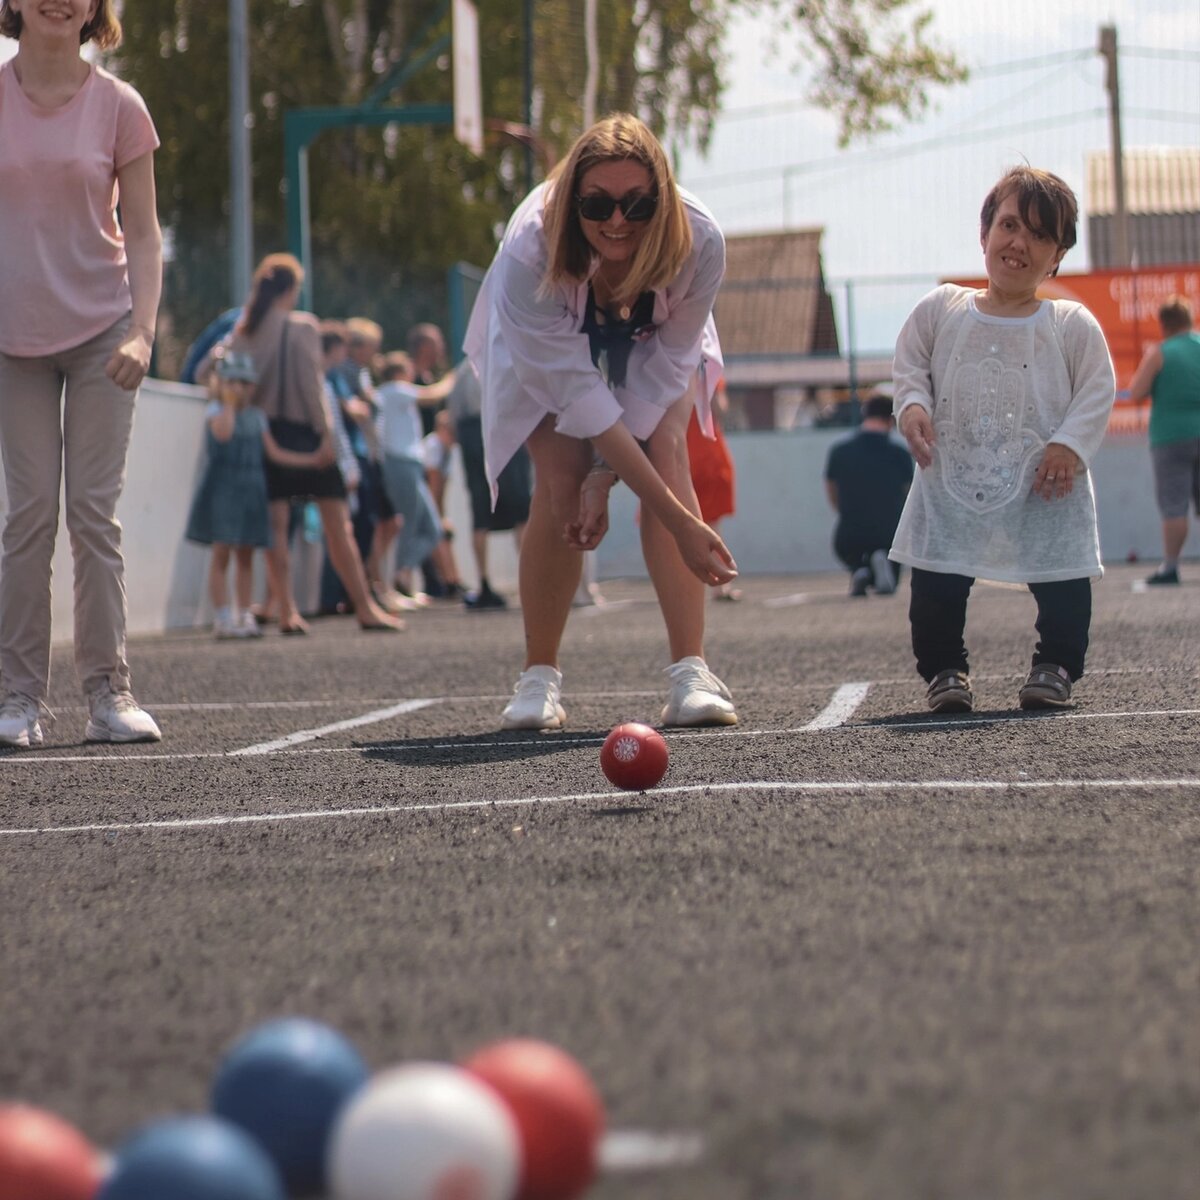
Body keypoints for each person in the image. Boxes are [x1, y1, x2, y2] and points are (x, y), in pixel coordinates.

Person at [465, 112, 739, 730]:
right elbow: (579, 400)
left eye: (637, 206)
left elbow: (663, 374)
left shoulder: (702, 242)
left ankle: (690, 672)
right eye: (598, 204)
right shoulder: (527, 254)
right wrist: (675, 522)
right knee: (561, 484)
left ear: (662, 202)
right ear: (572, 203)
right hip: (547, 348)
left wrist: (610, 478)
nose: (617, 221)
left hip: (647, 344)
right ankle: (538, 677)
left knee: (667, 454)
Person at [890, 166, 1116, 714]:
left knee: (1063, 578)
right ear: (984, 233)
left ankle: (1056, 666)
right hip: (953, 482)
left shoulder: (1070, 323)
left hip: (1046, 486)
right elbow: (910, 363)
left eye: (1040, 235)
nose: (1020, 243)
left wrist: (1069, 443)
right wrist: (913, 404)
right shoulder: (941, 308)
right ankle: (944, 671)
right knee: (937, 583)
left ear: (1058, 255)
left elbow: (1097, 388)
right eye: (1010, 225)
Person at [0, 0, 163, 746]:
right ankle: (17, 700)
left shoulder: (120, 106)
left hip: (102, 336)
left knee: (93, 517)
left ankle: (108, 693)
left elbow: (144, 231)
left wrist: (142, 331)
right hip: (11, 342)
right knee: (29, 518)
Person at [211, 254, 404, 635]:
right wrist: (328, 437)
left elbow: (210, 368)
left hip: (266, 433)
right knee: (338, 525)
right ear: (291, 289)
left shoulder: (245, 329)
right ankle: (365, 608)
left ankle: (287, 611)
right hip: (308, 433)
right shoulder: (303, 326)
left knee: (277, 526)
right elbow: (313, 388)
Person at [185, 350, 334, 639]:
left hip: (251, 489)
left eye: (244, 382)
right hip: (223, 489)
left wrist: (311, 460)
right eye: (232, 381)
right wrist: (227, 403)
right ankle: (223, 617)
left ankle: (244, 615)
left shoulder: (257, 416)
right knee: (222, 552)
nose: (239, 388)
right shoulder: (216, 411)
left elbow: (274, 453)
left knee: (246, 555)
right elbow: (224, 435)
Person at [1126, 295, 1200, 585]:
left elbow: (1136, 392)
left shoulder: (1160, 352)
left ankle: (1170, 568)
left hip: (1171, 437)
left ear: (1164, 324)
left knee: (1174, 505)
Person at [374, 351, 457, 602]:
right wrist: (452, 379)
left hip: (410, 465)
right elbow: (430, 395)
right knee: (409, 522)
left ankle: (402, 574)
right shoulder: (394, 389)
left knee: (431, 528)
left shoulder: (392, 393)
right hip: (400, 463)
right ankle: (399, 579)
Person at [446, 366, 530, 611]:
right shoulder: (507, 360)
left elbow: (452, 418)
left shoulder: (461, 373)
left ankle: (484, 583)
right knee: (521, 510)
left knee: (479, 512)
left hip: (471, 437)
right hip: (503, 430)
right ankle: (530, 581)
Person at [823, 392, 914, 596]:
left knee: (849, 551)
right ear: (891, 420)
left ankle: (860, 570)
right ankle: (881, 567)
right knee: (891, 556)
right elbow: (909, 492)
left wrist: (843, 511)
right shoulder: (899, 454)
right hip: (888, 532)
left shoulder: (840, 451)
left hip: (850, 533)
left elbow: (830, 487)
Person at [687, 378, 740, 600]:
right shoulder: (707, 368)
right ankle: (718, 586)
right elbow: (719, 406)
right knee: (711, 524)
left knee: (672, 521)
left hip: (676, 449)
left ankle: (681, 585)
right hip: (707, 452)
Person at [420, 410, 465, 600]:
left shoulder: (447, 451)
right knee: (439, 534)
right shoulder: (433, 446)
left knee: (443, 533)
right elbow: (432, 484)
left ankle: (452, 579)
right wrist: (438, 516)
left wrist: (442, 515)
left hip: (429, 497)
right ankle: (450, 581)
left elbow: (442, 488)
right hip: (421, 495)